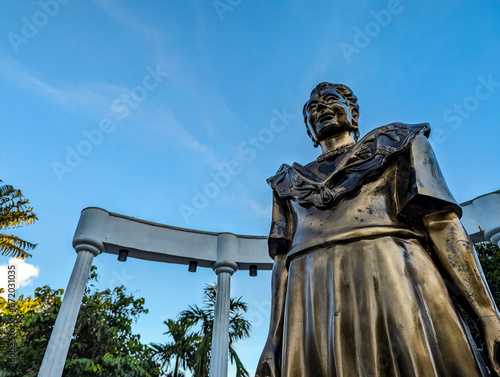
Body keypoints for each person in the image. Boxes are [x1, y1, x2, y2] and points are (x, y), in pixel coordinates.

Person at [255, 82, 500, 377]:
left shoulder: (399, 143)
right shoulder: (286, 182)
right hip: (310, 297)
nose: (319, 110)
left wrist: (487, 314)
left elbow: (442, 224)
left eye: (330, 101)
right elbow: (282, 262)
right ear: (309, 131)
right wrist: (273, 340)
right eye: (311, 110)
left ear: (353, 113)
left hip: (393, 277)